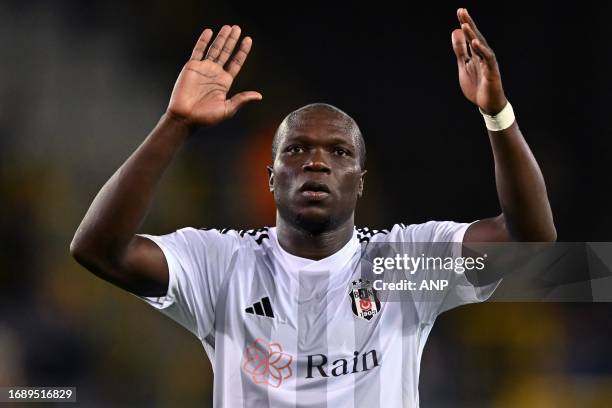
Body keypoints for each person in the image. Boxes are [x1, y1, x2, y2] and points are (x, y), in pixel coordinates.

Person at [70, 8, 556, 407]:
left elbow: (530, 240)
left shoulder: (402, 265)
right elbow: (98, 249)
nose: (317, 162)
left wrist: (497, 114)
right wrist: (175, 123)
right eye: (296, 150)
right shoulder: (222, 266)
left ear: (360, 182)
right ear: (270, 176)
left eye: (339, 152)